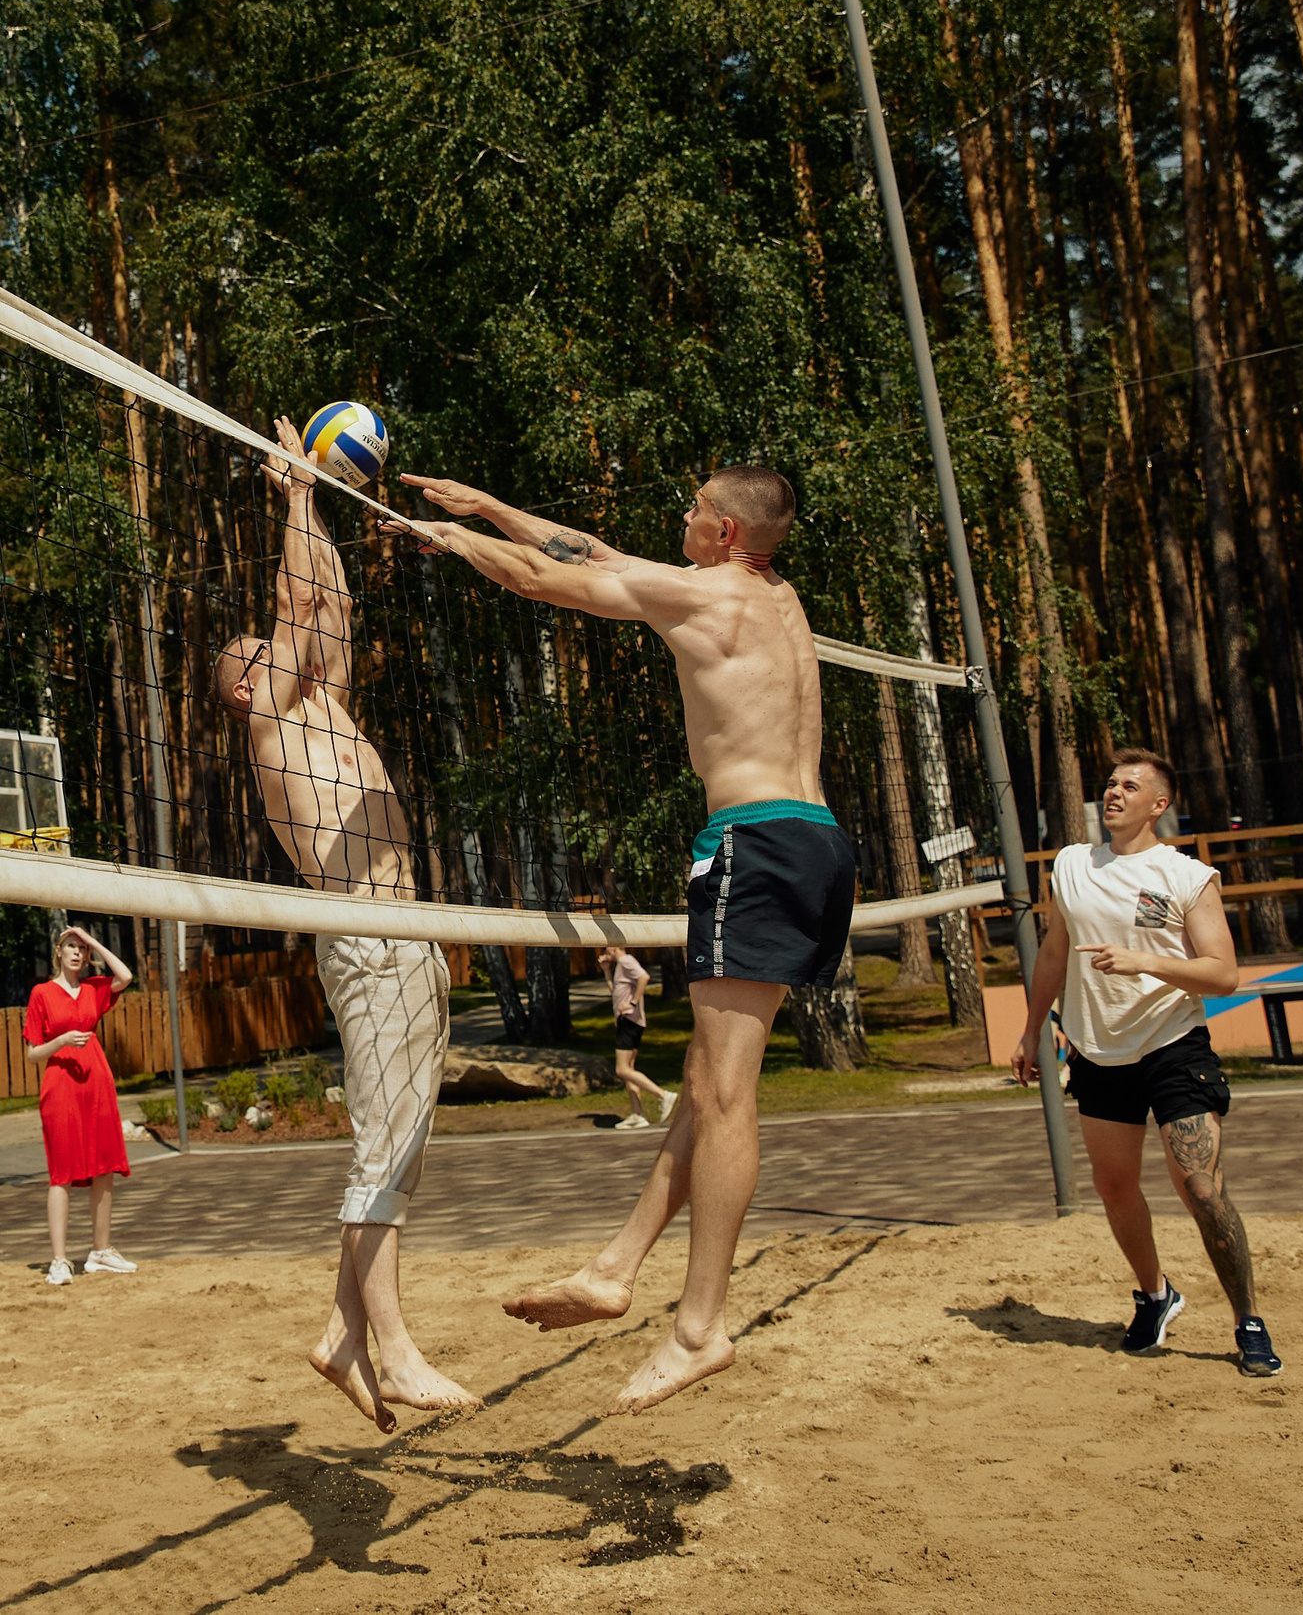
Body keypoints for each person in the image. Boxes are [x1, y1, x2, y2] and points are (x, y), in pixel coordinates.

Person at [401, 464, 852, 1413]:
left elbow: (543, 580)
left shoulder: (708, 597)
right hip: (812, 841)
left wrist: (448, 542)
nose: (683, 515)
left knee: (723, 1097)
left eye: (696, 507)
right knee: (704, 1080)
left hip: (756, 844)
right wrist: (488, 505)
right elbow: (594, 555)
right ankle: (615, 1268)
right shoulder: (770, 594)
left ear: (726, 532)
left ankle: (700, 1328)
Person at [213, 417, 480, 1432]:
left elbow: (329, 608)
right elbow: (301, 605)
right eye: (258, 646)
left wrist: (311, 506)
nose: (278, 636)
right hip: (368, 932)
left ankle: (341, 1332)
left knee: (400, 1138)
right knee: (384, 1144)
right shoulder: (272, 720)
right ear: (244, 684)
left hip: (402, 927)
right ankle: (395, 1350)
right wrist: (295, 495)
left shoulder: (321, 704)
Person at [1011, 750, 1277, 1376]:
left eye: (1130, 786)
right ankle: (1155, 1295)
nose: (1114, 793)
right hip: (1097, 1050)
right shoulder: (1071, 865)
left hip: (1172, 1043)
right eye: (1110, 783)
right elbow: (1055, 953)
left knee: (1202, 1188)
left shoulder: (1187, 875)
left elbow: (1224, 974)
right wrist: (1031, 1029)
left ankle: (1248, 1321)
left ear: (1158, 804)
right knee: (1113, 1186)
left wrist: (1145, 961)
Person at [24, 924, 138, 1285]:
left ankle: (100, 1251)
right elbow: (32, 1053)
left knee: (104, 1166)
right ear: (58, 952)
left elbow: (126, 976)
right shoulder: (42, 993)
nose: (77, 953)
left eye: (82, 949)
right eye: (71, 946)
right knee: (62, 1172)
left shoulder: (93, 989)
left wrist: (93, 941)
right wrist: (61, 1040)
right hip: (60, 1086)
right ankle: (59, 1260)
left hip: (97, 1084)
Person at [598, 943, 676, 1131]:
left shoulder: (626, 961)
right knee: (629, 1070)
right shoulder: (621, 966)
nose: (604, 952)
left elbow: (644, 977)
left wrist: (632, 1003)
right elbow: (616, 993)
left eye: (606, 948)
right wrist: (606, 971)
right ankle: (637, 1115)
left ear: (614, 947)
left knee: (622, 1069)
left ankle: (663, 1095)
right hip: (630, 1022)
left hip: (629, 1021)